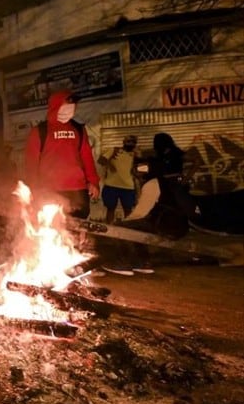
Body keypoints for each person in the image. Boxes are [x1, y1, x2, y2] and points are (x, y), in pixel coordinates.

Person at [101, 133, 196, 276]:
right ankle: (143, 263)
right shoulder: (178, 185)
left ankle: (123, 264)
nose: (137, 176)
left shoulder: (154, 184)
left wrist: (120, 224)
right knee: (140, 226)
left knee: (123, 227)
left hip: (164, 227)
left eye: (138, 173)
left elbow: (139, 213)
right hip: (181, 228)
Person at [24, 90, 100, 219]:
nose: (71, 108)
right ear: (56, 105)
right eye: (67, 104)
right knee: (51, 227)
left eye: (73, 105)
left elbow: (87, 157)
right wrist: (34, 189)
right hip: (49, 191)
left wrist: (93, 182)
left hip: (78, 190)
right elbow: (31, 163)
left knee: (79, 227)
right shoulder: (40, 131)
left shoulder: (79, 129)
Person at [98, 135, 138, 225]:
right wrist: (109, 164)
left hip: (128, 187)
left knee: (128, 210)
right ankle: (109, 228)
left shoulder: (135, 155)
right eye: (128, 141)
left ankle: (129, 229)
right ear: (123, 142)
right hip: (111, 186)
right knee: (110, 209)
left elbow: (139, 168)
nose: (130, 144)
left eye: (133, 142)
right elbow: (101, 160)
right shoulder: (114, 150)